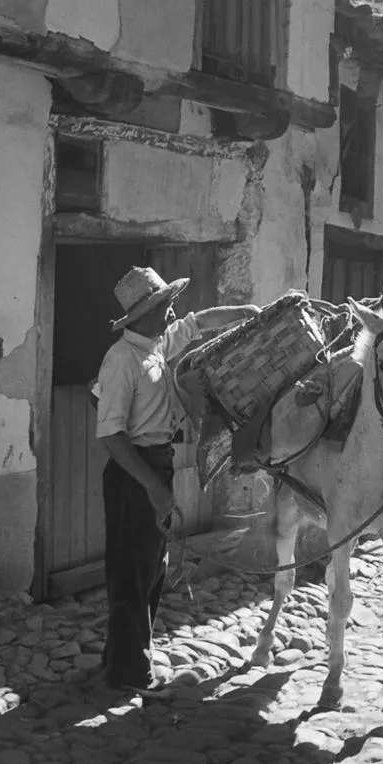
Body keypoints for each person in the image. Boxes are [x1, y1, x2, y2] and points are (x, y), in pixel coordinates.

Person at [92, 266, 260, 692]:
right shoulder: (122, 360)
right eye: (165, 305)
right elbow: (111, 435)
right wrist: (152, 486)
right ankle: (129, 673)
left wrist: (248, 312)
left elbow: (198, 322)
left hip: (156, 463)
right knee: (132, 570)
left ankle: (122, 656)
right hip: (136, 470)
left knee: (150, 568)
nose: (172, 311)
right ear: (143, 312)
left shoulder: (154, 346)